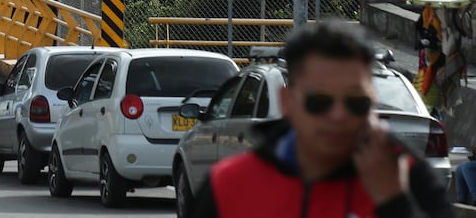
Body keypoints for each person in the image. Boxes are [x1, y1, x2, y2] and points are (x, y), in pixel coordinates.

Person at [189, 21, 453, 218]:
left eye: (356, 102)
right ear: (287, 101)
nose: (339, 115)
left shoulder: (408, 177)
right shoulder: (229, 184)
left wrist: (393, 203)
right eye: (319, 101)